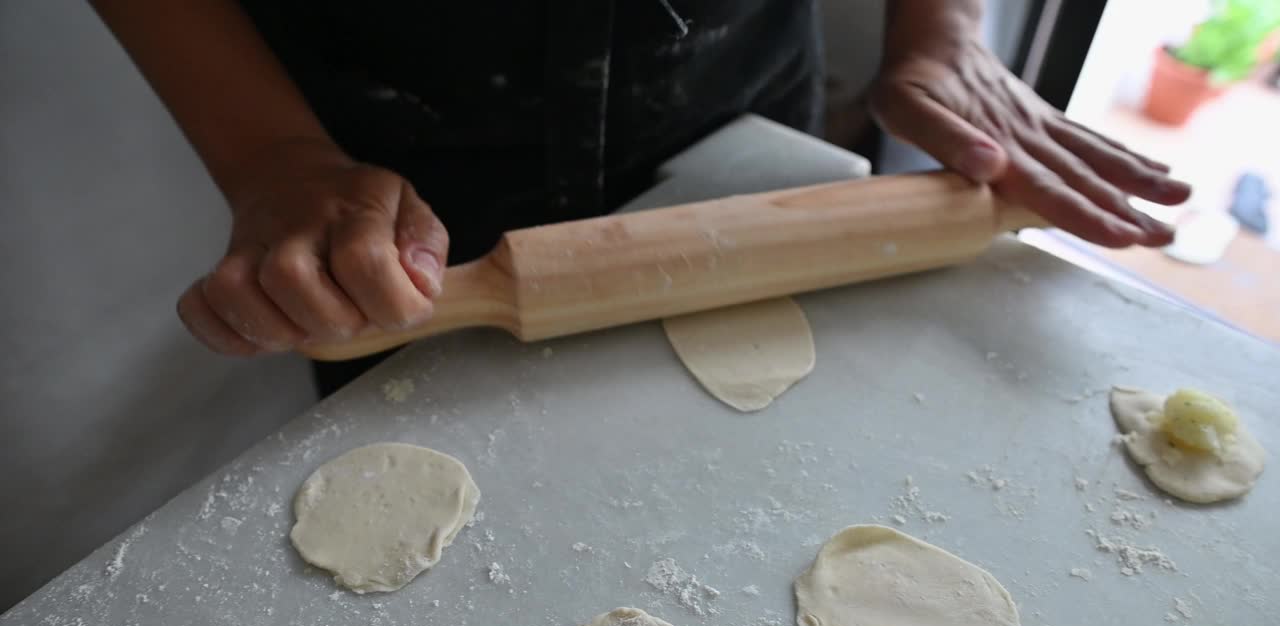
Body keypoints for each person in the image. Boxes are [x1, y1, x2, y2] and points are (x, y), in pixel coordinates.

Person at [93, 0, 1191, 395]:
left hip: (728, 100)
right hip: (405, 138)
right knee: (388, 341)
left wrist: (941, 28)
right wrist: (272, 152)